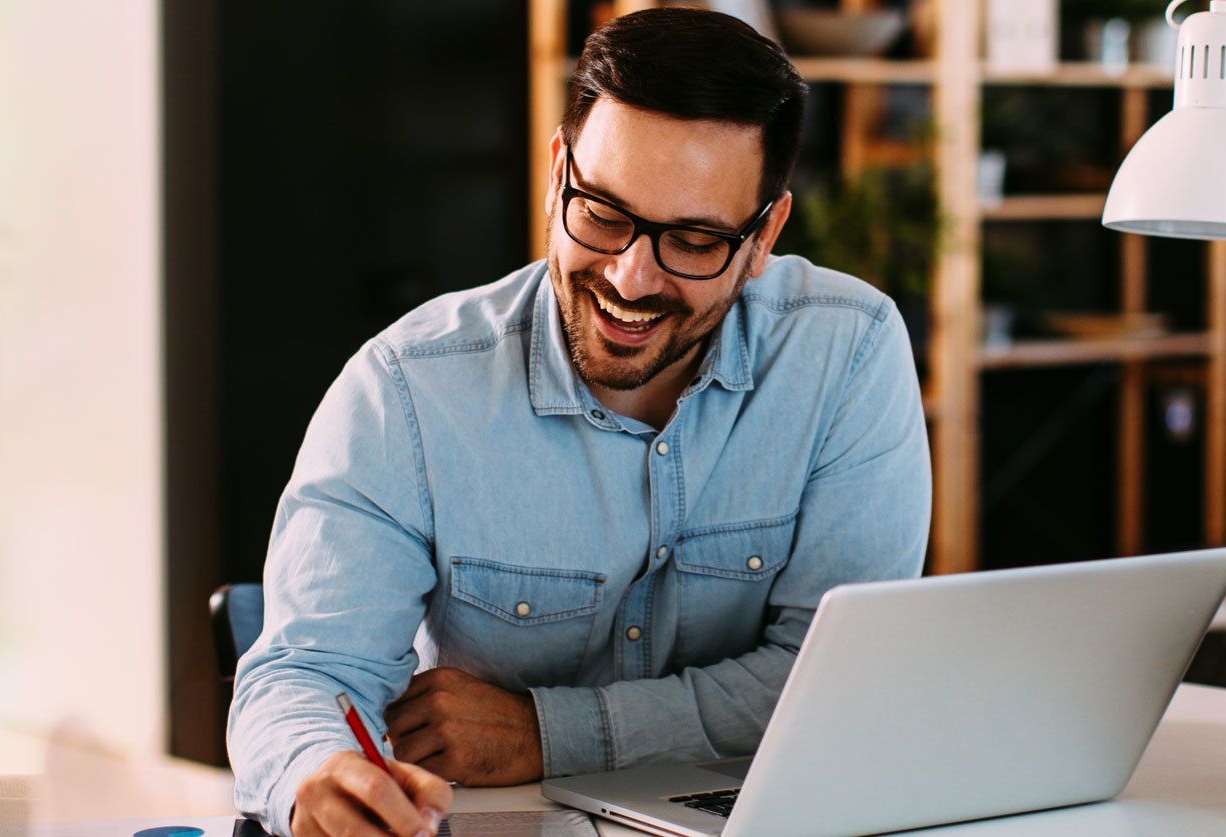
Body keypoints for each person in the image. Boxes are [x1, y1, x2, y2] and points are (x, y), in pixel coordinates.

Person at [226, 9, 931, 837]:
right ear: (558, 168)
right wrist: (317, 773)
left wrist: (545, 732)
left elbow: (833, 685)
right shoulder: (407, 390)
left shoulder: (848, 350)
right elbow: (303, 674)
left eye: (696, 240)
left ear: (764, 233)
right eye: (602, 211)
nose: (632, 278)